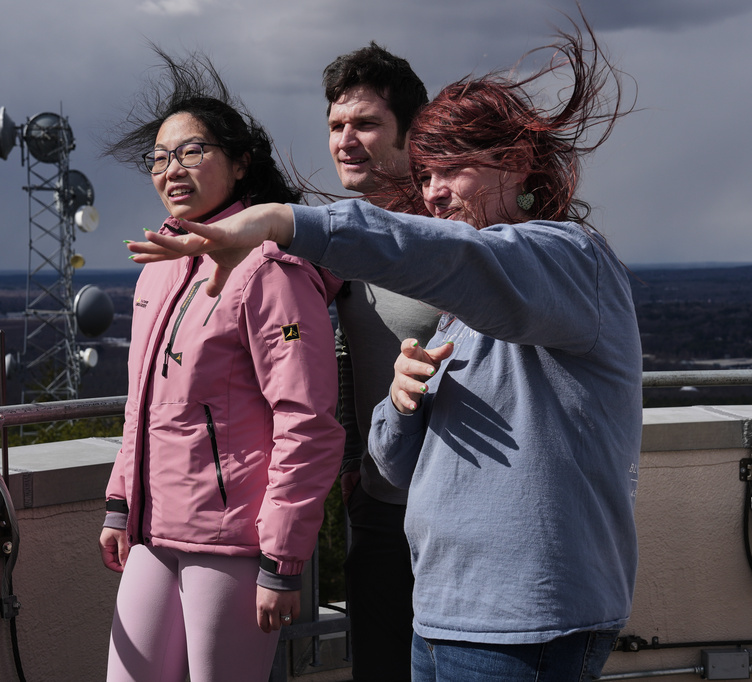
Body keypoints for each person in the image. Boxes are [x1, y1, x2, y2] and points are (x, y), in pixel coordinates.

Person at [130, 17, 641, 682]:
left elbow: (457, 259)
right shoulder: (455, 313)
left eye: (453, 169)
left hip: (523, 617)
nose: (435, 192)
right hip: (442, 600)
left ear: (518, 164)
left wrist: (283, 221)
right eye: (428, 175)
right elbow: (397, 461)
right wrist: (399, 408)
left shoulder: (566, 258)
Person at [99, 48, 344, 682]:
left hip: (234, 542)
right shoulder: (159, 267)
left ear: (240, 163)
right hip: (155, 529)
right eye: (159, 158)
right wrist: (122, 502)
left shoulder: (270, 271)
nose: (171, 170)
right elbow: (141, 406)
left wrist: (282, 560)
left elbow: (307, 421)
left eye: (191, 151)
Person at [322, 42, 441, 681]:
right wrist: (351, 465)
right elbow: (342, 356)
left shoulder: (451, 234)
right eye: (337, 125)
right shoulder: (343, 239)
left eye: (365, 123)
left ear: (409, 133)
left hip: (459, 511)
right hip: (379, 506)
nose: (346, 140)